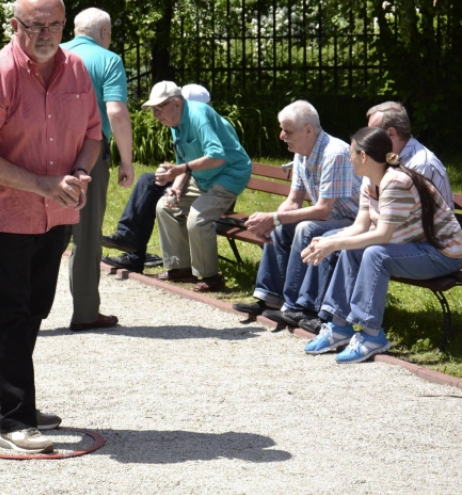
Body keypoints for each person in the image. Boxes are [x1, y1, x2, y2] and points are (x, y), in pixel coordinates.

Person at [0, 0, 102, 454]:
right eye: (34, 25)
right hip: (1, 214)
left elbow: (94, 134)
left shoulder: (76, 68)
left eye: (54, 25)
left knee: (34, 309)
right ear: (14, 26)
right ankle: (16, 421)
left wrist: (79, 171)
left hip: (56, 212)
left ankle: (5, 405)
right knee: (9, 314)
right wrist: (41, 183)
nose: (45, 34)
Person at [286, 101, 455, 334]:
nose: (348, 158)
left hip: (434, 247)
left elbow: (387, 233)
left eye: (351, 154)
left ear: (365, 155)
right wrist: (332, 240)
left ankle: (368, 333)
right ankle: (334, 324)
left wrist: (335, 241)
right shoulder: (371, 177)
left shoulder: (404, 174)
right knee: (339, 240)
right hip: (403, 239)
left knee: (372, 252)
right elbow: (361, 226)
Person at [232, 100, 360, 328]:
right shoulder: (302, 153)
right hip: (329, 219)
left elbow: (322, 210)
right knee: (281, 226)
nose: (281, 136)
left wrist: (272, 218)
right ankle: (269, 299)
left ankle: (297, 307)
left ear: (308, 130)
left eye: (287, 130)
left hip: (355, 222)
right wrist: (270, 222)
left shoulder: (335, 153)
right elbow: (293, 201)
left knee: (305, 227)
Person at [60, 7, 135, 332]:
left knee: (44, 234)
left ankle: (28, 312)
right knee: (86, 235)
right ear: (104, 32)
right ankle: (86, 312)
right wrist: (127, 161)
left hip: (45, 152)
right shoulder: (108, 60)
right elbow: (116, 112)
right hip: (88, 155)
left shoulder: (54, 55)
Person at [148, 81, 252, 292]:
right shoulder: (174, 124)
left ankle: (212, 278)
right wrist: (176, 188)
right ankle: (180, 268)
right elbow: (183, 160)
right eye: (153, 109)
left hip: (229, 174)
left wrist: (178, 170)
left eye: (160, 107)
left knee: (198, 217)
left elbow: (217, 156)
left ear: (176, 103)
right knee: (165, 207)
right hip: (203, 178)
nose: (156, 114)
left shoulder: (197, 115)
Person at [101, 84, 212, 273]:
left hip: (208, 187)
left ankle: (133, 253)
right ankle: (129, 244)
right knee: (148, 181)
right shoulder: (179, 125)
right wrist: (170, 177)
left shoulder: (203, 123)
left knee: (153, 189)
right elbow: (185, 161)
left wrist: (175, 183)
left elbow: (198, 165)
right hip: (191, 180)